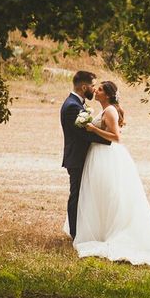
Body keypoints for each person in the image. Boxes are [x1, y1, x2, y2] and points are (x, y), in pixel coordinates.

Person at [71, 80, 150, 268]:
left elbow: (117, 137)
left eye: (100, 89)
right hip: (97, 155)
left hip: (107, 156)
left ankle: (115, 233)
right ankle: (101, 230)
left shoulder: (110, 110)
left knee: (112, 194)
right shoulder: (104, 110)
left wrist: (92, 128)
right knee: (100, 195)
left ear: (108, 95)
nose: (96, 90)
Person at [61, 71, 111, 240]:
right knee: (76, 195)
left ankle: (81, 230)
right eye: (93, 86)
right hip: (76, 158)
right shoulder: (72, 106)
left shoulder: (77, 103)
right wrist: (109, 139)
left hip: (82, 156)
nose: (94, 89)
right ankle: (75, 233)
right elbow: (83, 134)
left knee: (83, 194)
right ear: (84, 87)